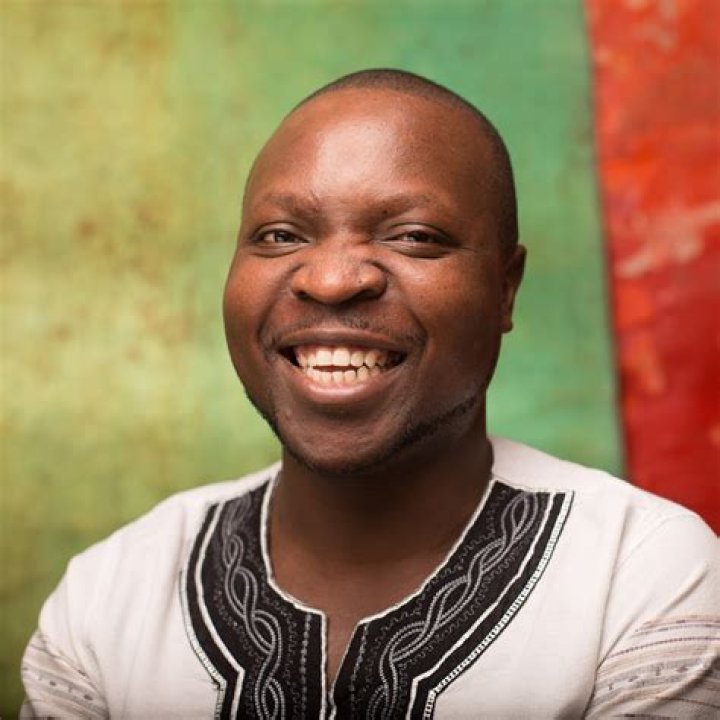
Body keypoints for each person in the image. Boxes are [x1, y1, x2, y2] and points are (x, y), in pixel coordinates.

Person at [21, 69, 718, 719]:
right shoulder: (108, 597)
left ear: (505, 289)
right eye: (280, 235)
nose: (330, 280)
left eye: (413, 237)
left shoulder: (641, 579)